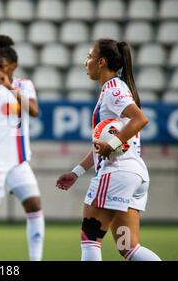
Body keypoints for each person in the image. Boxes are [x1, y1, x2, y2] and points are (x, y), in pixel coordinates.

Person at [56, 39, 161, 261]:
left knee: (90, 239)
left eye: (89, 57)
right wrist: (76, 171)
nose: (86, 63)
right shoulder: (115, 89)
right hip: (134, 176)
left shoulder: (113, 90)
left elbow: (140, 119)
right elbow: (101, 146)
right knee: (128, 247)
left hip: (117, 173)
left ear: (101, 62)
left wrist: (113, 144)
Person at [0, 35, 45, 261]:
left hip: (18, 161)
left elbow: (34, 111)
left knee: (34, 206)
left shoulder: (24, 86)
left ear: (13, 66)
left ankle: (35, 258)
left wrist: (10, 87)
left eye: (1, 66)